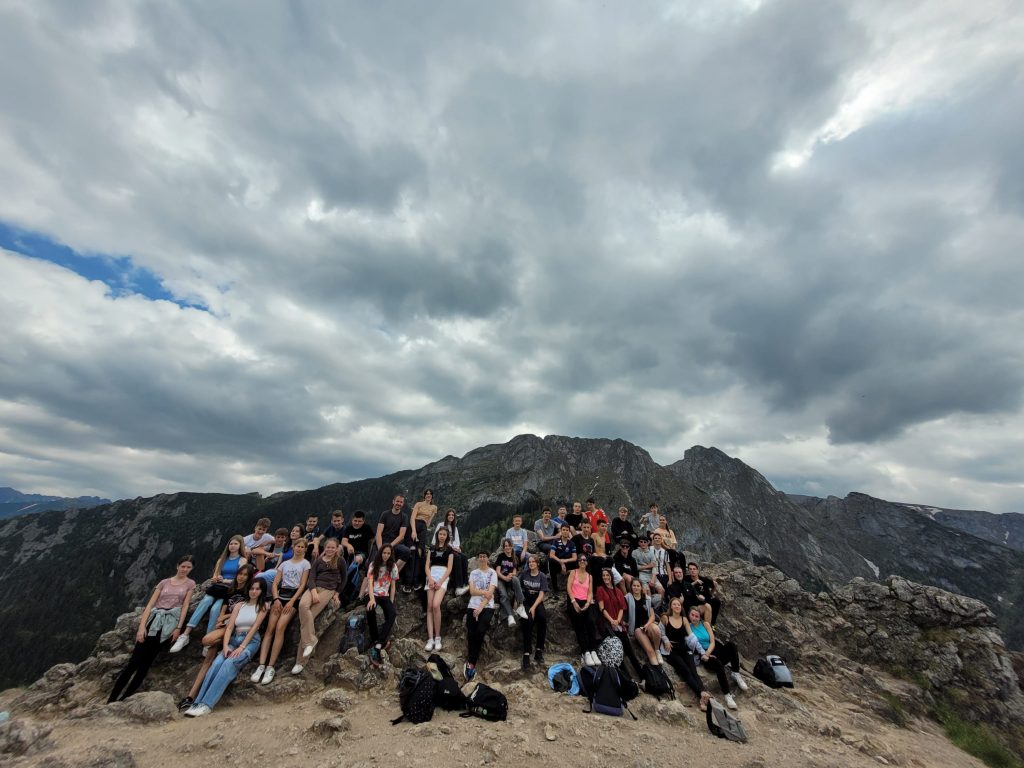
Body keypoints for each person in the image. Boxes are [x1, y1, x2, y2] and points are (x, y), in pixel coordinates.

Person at [108, 555, 195, 702]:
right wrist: (142, 627)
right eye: (183, 566)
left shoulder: (190, 584)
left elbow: (185, 606)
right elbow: (150, 605)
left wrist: (178, 628)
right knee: (133, 662)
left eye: (188, 567)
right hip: (154, 621)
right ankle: (112, 699)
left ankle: (125, 699)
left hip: (169, 624)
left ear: (191, 569)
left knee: (145, 664)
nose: (185, 569)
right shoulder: (164, 582)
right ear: (177, 566)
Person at [184, 578, 270, 717]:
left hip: (250, 641)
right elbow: (230, 627)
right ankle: (197, 702)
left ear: (262, 591)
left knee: (229, 664)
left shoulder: (263, 606)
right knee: (216, 664)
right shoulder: (239, 605)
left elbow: (255, 627)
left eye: (257, 589)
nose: (254, 591)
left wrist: (242, 647)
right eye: (251, 588)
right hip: (234, 639)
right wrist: (225, 646)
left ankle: (207, 704)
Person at [177, 564, 255, 712]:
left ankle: (222, 643)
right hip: (224, 626)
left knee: (207, 640)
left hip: (234, 627)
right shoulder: (231, 589)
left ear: (249, 577)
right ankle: (191, 697)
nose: (242, 577)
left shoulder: (248, 592)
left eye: (245, 575)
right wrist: (220, 619)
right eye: (240, 574)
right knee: (208, 661)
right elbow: (224, 608)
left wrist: (223, 618)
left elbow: (241, 612)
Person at [171, 536, 248, 652]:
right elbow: (215, 575)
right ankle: (185, 634)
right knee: (205, 601)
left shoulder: (242, 560)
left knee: (215, 609)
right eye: (231, 544)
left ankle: (208, 640)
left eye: (236, 544)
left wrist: (225, 580)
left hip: (229, 590)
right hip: (217, 587)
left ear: (240, 545)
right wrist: (216, 578)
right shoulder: (222, 559)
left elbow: (241, 579)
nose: (232, 546)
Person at [251, 538, 310, 684]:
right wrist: (276, 598)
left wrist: (292, 601)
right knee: (269, 629)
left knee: (279, 628)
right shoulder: (284, 564)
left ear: (305, 549)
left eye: (302, 547)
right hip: (280, 596)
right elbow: (276, 583)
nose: (299, 549)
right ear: (293, 547)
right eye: (297, 546)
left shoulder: (305, 564)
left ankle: (270, 666)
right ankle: (261, 665)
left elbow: (302, 585)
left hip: (293, 598)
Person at [293, 538, 345, 674]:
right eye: (328, 547)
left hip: (328, 590)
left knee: (307, 620)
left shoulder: (340, 561)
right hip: (314, 588)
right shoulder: (318, 561)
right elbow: (311, 578)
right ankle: (311, 641)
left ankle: (300, 662)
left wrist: (337, 593)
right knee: (303, 606)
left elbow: (344, 578)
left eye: (333, 547)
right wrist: (313, 591)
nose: (330, 549)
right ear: (324, 548)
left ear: (337, 549)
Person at [685, 606, 747, 709]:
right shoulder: (688, 627)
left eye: (697, 616)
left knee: (731, 645)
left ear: (700, 617)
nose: (694, 618)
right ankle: (727, 695)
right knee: (718, 664)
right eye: (692, 615)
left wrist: (708, 653)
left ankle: (735, 673)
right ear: (689, 615)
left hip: (712, 649)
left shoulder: (705, 624)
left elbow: (712, 641)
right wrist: (705, 655)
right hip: (702, 654)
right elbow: (692, 645)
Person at [662, 597, 710, 710]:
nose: (677, 606)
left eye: (679, 604)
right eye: (674, 604)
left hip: (684, 647)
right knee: (685, 670)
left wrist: (703, 653)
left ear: (681, 607)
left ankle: (704, 694)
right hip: (672, 650)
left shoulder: (684, 619)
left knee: (693, 670)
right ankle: (702, 694)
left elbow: (692, 637)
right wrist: (666, 640)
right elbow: (661, 632)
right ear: (670, 606)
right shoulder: (665, 617)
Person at [596, 568, 643, 678]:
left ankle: (643, 677)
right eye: (603, 575)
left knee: (630, 652)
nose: (605, 577)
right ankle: (627, 679)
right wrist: (611, 620)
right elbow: (602, 608)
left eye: (607, 575)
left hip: (619, 624)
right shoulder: (600, 589)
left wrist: (617, 620)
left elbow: (622, 608)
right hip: (608, 625)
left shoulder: (618, 591)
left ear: (611, 576)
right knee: (617, 653)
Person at [464, 551, 497, 681]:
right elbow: (472, 591)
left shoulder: (493, 573)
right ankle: (470, 662)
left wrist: (480, 607)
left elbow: (491, 593)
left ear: (488, 558)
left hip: (487, 606)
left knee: (480, 631)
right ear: (478, 559)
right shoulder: (473, 573)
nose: (482, 558)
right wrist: (484, 592)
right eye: (480, 557)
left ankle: (471, 663)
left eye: (484, 556)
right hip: (472, 605)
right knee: (471, 633)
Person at [365, 544, 399, 665]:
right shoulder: (373, 564)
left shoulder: (393, 566)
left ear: (391, 554)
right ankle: (375, 639)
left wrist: (391, 602)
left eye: (388, 553)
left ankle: (378, 645)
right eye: (384, 553)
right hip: (372, 593)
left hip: (384, 595)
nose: (386, 555)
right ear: (380, 553)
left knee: (392, 614)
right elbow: (369, 583)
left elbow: (393, 586)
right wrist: (371, 599)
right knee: (370, 609)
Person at [424, 527, 454, 651]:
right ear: (437, 535)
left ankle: (437, 637)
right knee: (429, 607)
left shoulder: (450, 549)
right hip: (431, 575)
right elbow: (427, 565)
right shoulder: (432, 548)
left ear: (447, 536)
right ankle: (430, 639)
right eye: (440, 534)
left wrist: (441, 581)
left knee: (436, 605)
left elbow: (450, 567)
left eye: (444, 534)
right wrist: (430, 579)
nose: (442, 536)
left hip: (442, 576)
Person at [566, 555, 599, 667]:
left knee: (591, 622)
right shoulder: (573, 572)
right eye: (580, 560)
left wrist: (588, 603)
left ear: (587, 562)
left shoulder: (590, 576)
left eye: (584, 560)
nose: (582, 561)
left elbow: (590, 592)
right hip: (574, 601)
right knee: (579, 626)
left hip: (586, 601)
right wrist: (573, 602)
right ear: (578, 562)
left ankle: (593, 650)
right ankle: (585, 652)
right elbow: (569, 587)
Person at [625, 578, 663, 671]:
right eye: (634, 585)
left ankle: (657, 650)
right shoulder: (627, 598)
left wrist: (647, 624)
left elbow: (652, 616)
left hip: (647, 624)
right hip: (637, 628)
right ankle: (658, 672)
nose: (636, 587)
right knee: (650, 651)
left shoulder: (647, 599)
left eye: (638, 586)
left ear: (641, 587)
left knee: (656, 629)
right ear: (631, 587)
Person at [375, 495, 411, 590]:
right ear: (393, 501)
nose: (399, 503)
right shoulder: (385, 514)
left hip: (395, 543)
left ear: (403, 504)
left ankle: (391, 573)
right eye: (397, 501)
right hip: (383, 541)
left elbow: (401, 535)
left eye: (401, 502)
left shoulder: (404, 517)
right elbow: (378, 532)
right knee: (374, 560)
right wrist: (380, 548)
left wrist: (390, 546)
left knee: (407, 551)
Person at [519, 554, 547, 671]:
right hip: (526, 601)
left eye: (533, 562)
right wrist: (517, 603)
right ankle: (526, 652)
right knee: (527, 621)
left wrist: (534, 607)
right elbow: (518, 589)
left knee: (542, 619)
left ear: (537, 563)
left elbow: (542, 594)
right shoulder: (524, 574)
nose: (531, 563)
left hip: (537, 601)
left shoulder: (542, 576)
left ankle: (539, 650)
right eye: (529, 562)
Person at [494, 538, 528, 627]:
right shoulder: (501, 556)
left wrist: (511, 575)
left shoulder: (514, 558)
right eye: (505, 546)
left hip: (509, 579)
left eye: (509, 546)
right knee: (504, 595)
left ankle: (521, 605)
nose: (507, 547)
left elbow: (514, 571)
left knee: (515, 579)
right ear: (503, 547)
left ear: (512, 546)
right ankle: (510, 615)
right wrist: (505, 578)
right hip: (500, 579)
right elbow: (497, 572)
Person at [409, 489, 438, 592]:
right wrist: (413, 531)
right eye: (427, 494)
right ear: (424, 495)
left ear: (432, 496)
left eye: (430, 494)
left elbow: (429, 521)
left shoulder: (434, 507)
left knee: (420, 552)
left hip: (423, 527)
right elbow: (412, 518)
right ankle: (408, 581)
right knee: (412, 551)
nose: (428, 495)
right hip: (415, 524)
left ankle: (416, 581)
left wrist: (424, 531)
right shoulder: (418, 504)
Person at [436, 508, 469, 596]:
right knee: (457, 558)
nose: (451, 516)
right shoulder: (441, 525)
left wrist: (458, 548)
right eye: (449, 515)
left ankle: (465, 583)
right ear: (446, 516)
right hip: (443, 549)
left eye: (452, 515)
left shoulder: (455, 528)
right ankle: (458, 586)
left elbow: (457, 542)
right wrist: (453, 548)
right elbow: (436, 540)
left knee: (464, 557)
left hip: (452, 549)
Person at [341, 510, 372, 601]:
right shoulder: (348, 528)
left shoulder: (367, 528)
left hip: (362, 553)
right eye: (355, 521)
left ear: (363, 521)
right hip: (349, 552)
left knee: (357, 560)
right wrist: (348, 545)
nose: (357, 523)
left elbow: (372, 540)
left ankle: (348, 584)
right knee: (339, 548)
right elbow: (343, 541)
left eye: (359, 521)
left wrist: (371, 555)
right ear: (352, 520)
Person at [548, 525, 577, 593]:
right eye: (563, 530)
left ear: (569, 532)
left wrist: (565, 561)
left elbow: (574, 557)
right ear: (561, 531)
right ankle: (555, 589)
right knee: (551, 561)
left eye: (567, 530)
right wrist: (561, 562)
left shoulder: (572, 543)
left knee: (578, 562)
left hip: (568, 563)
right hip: (558, 563)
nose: (565, 531)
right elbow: (551, 555)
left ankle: (573, 588)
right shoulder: (556, 541)